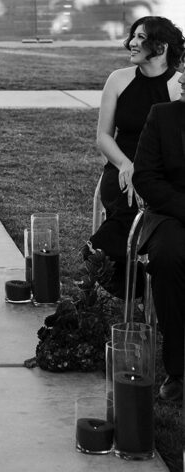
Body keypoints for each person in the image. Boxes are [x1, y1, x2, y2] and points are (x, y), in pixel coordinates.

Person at [85, 16, 184, 291]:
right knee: (126, 203)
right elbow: (103, 136)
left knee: (148, 204)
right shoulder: (118, 79)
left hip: (160, 175)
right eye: (133, 36)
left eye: (142, 38)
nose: (132, 43)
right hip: (120, 168)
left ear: (161, 47)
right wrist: (126, 165)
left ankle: (109, 254)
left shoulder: (179, 86)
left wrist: (146, 175)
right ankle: (143, 290)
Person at [133, 66, 185, 403]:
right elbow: (145, 177)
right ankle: (178, 370)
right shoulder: (162, 116)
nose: (180, 79)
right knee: (169, 257)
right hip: (169, 215)